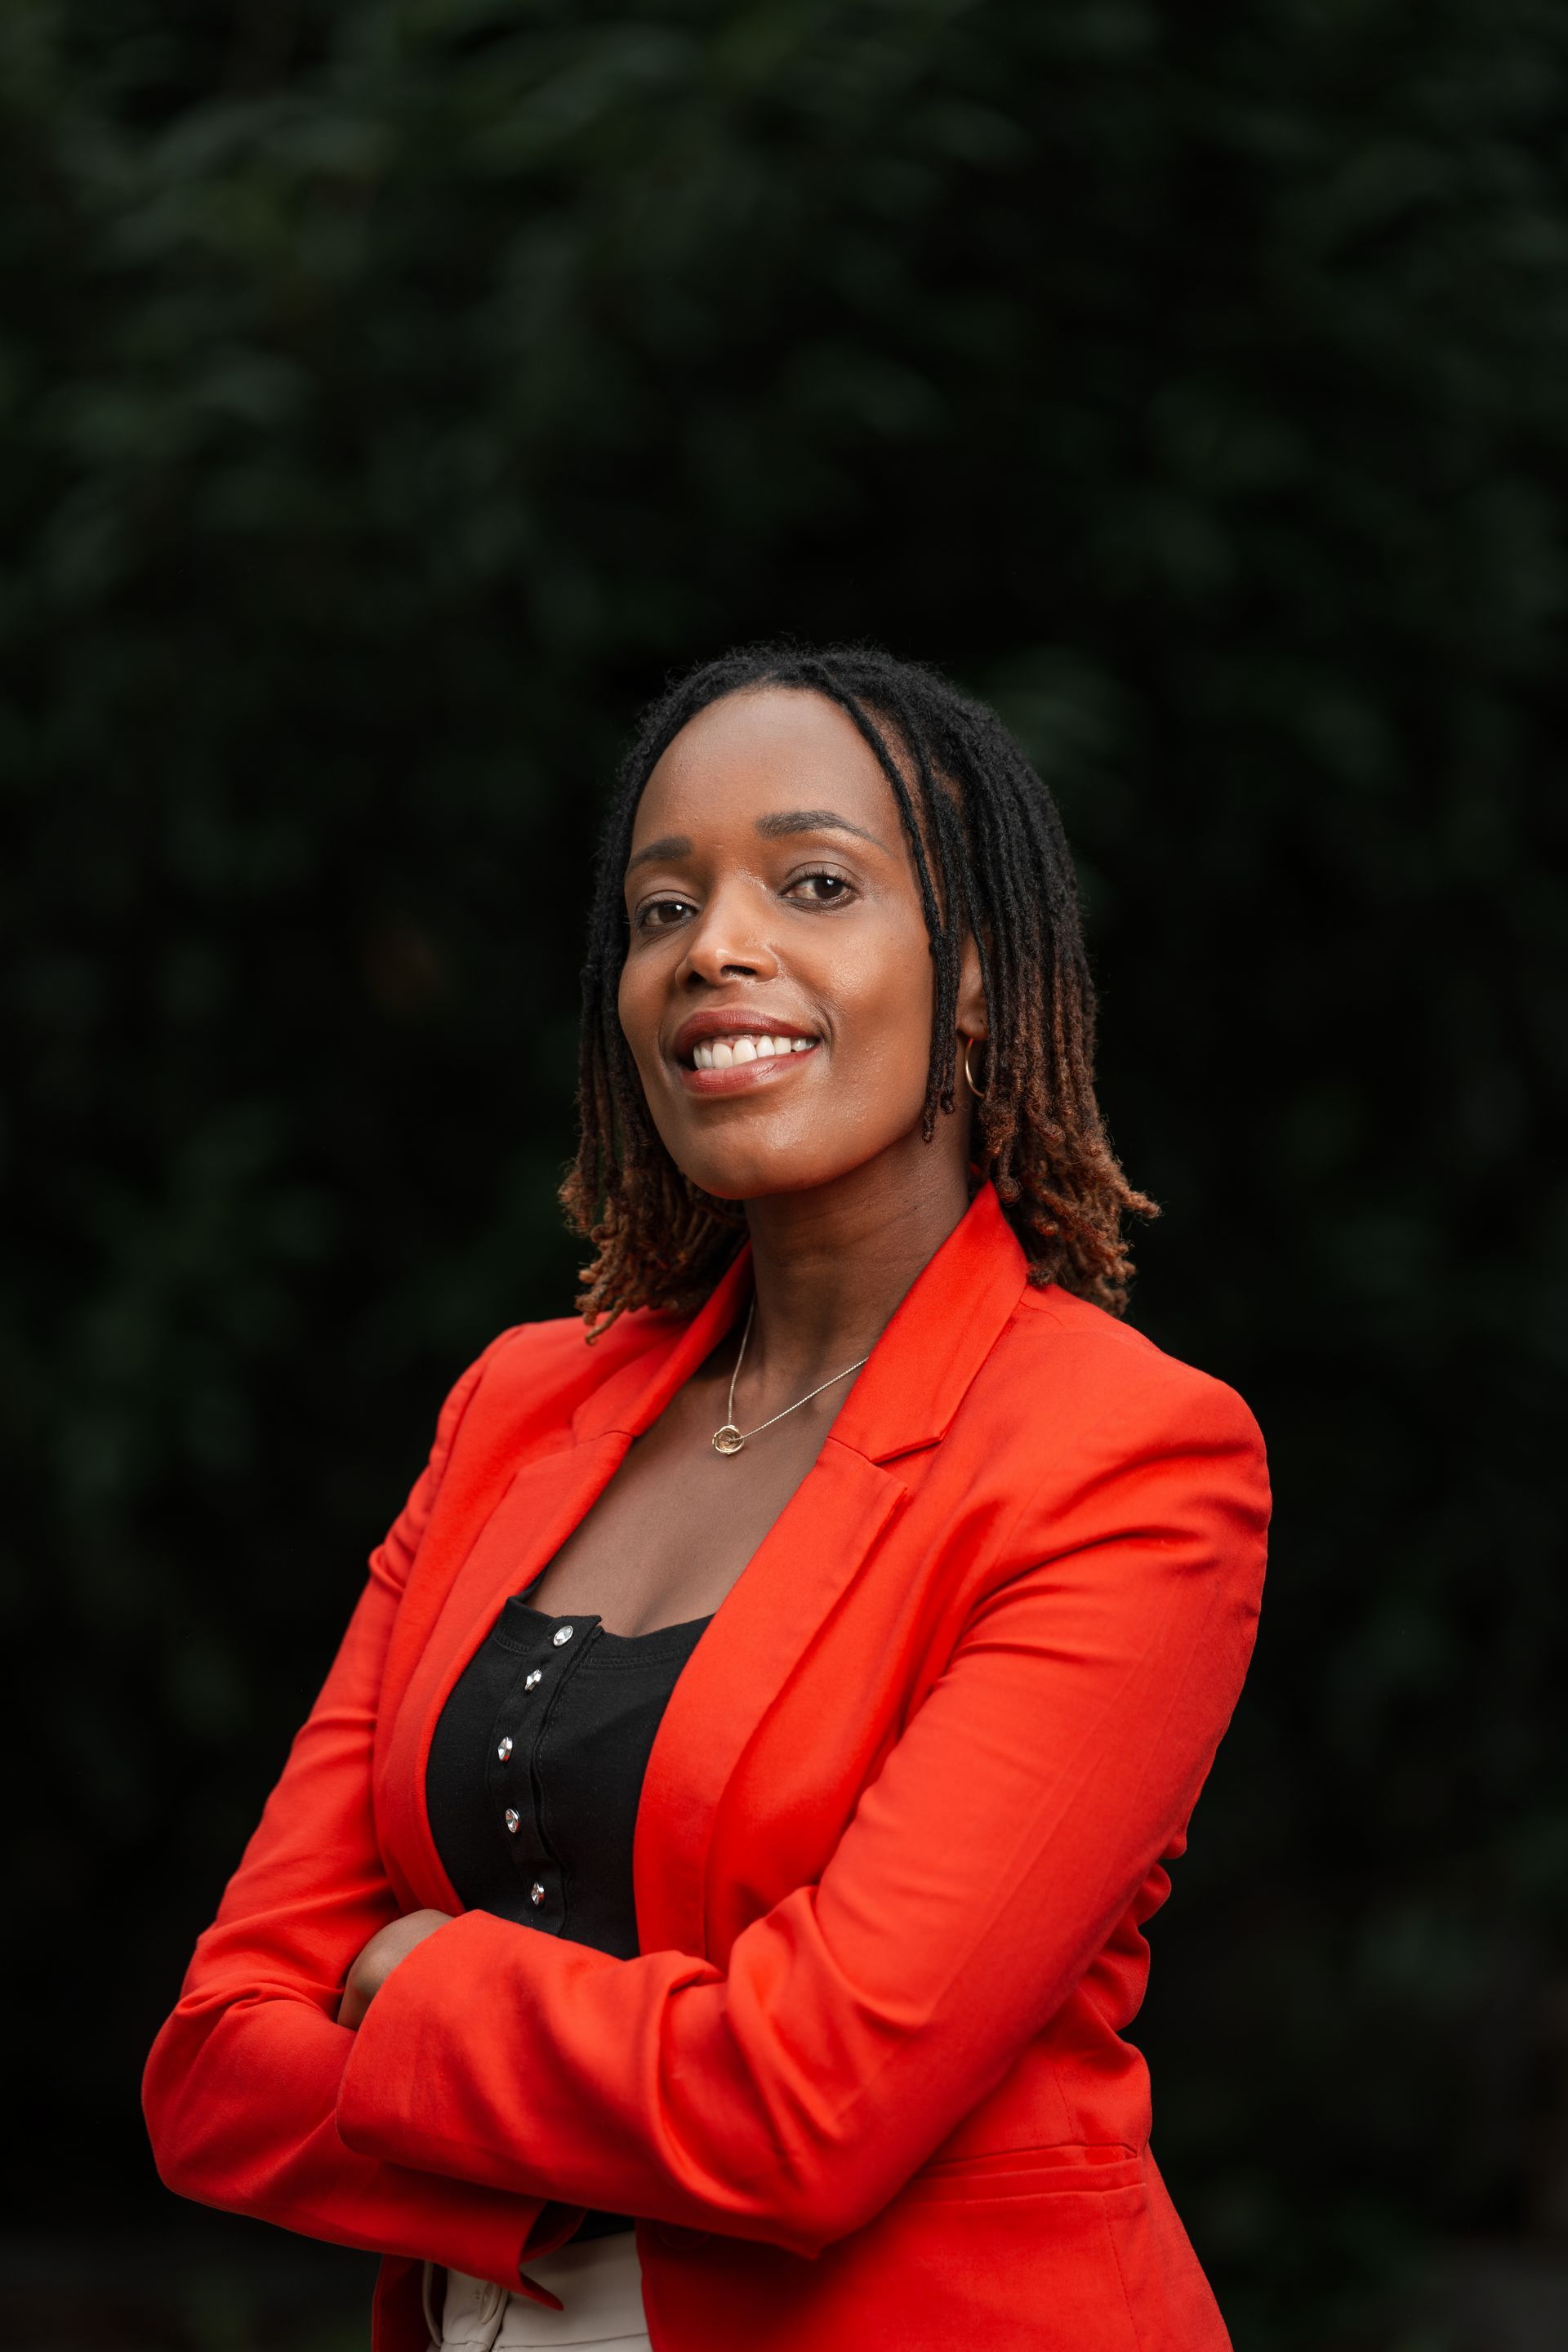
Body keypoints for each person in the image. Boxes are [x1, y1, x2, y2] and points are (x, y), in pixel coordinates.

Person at [144, 643, 1271, 2352]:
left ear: (973, 975)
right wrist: (586, 2168)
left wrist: (408, 1991)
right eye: (662, 910)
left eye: (814, 884)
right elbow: (220, 2059)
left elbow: (808, 2108)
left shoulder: (1122, 1458)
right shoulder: (517, 1409)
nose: (715, 949)